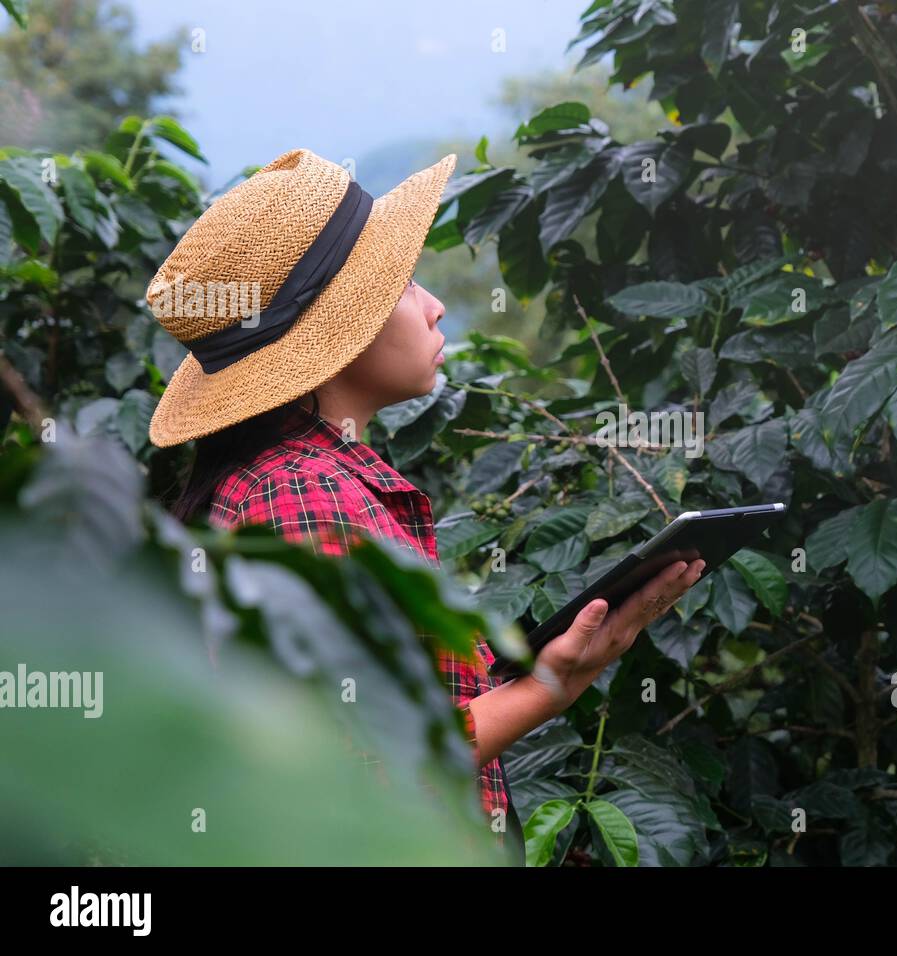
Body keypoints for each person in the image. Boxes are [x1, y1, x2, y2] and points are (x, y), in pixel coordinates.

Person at [146, 147, 705, 864]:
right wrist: (547, 686)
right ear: (339, 332)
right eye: (403, 284)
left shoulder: (298, 477)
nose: (434, 304)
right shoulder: (304, 492)